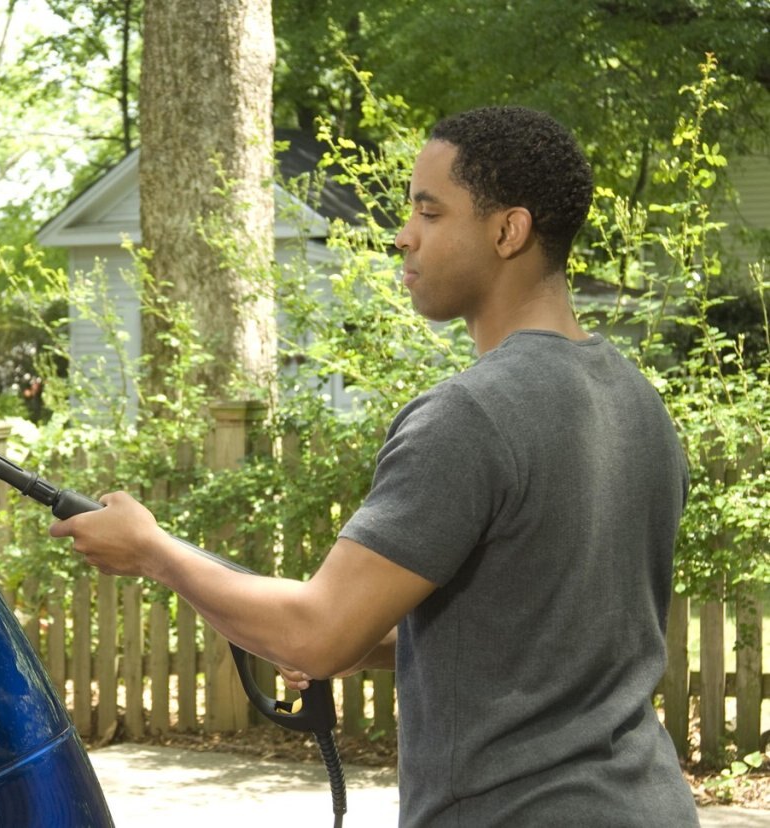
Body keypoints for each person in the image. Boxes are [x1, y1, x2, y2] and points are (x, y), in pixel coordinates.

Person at [49, 106, 698, 826]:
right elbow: (536, 636)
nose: (403, 235)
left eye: (429, 212)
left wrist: (151, 550)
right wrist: (359, 641)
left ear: (507, 231)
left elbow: (314, 633)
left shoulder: (471, 414)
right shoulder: (636, 403)